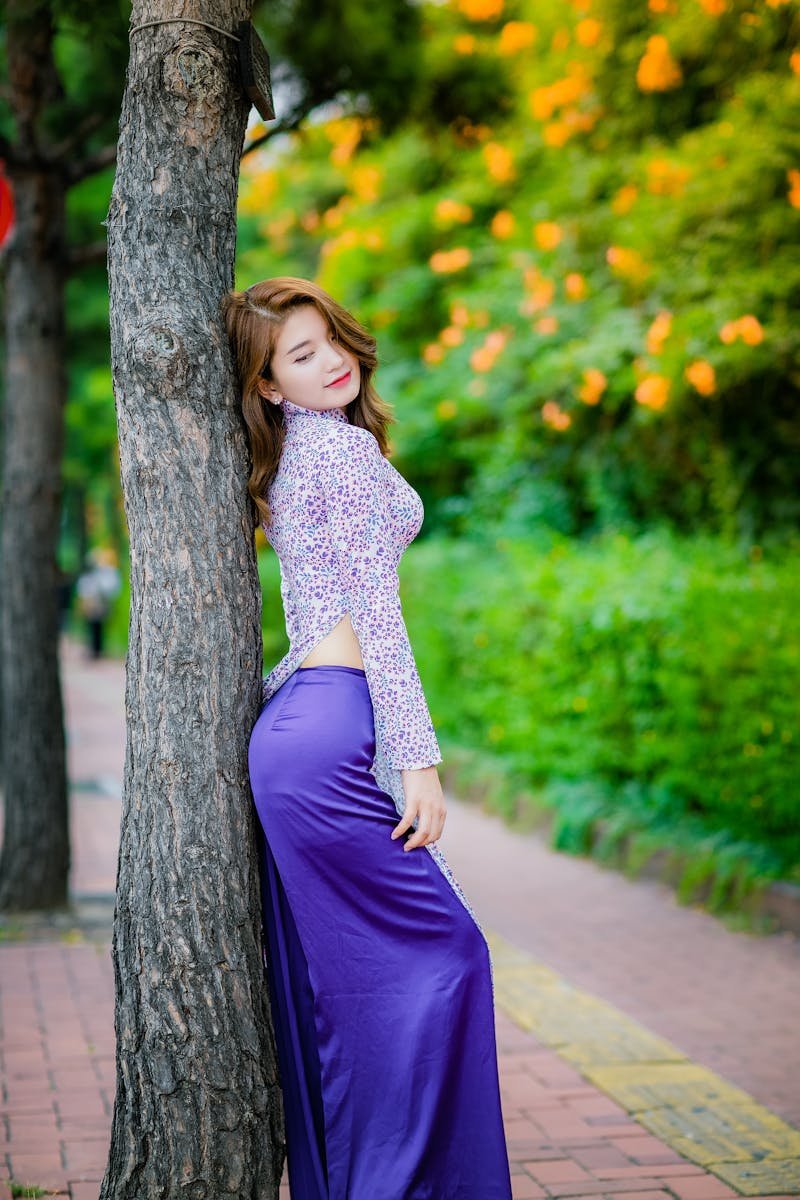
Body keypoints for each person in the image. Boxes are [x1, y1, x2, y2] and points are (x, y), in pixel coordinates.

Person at [222, 278, 512, 1200]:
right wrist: (418, 760)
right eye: (298, 356)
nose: (330, 360)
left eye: (330, 340)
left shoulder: (312, 452)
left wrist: (298, 713)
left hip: (306, 725)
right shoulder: (337, 459)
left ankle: (373, 1180)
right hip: (328, 731)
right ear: (267, 386)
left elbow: (321, 614)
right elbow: (376, 619)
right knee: (445, 957)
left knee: (349, 985)